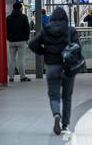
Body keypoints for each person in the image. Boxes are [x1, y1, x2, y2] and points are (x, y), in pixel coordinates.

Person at [28, 7, 80, 135]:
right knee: (67, 97)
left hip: (52, 67)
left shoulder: (46, 30)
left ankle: (57, 114)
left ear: (52, 18)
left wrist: (44, 52)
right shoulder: (70, 31)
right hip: (68, 68)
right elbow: (78, 48)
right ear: (65, 18)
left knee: (54, 96)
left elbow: (32, 44)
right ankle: (65, 125)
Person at [6, 2, 31, 82]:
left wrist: (9, 38)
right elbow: (27, 29)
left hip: (11, 41)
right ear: (20, 8)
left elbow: (7, 29)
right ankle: (22, 77)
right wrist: (26, 38)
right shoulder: (24, 17)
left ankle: (11, 77)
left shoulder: (8, 18)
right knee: (21, 59)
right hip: (21, 41)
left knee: (11, 59)